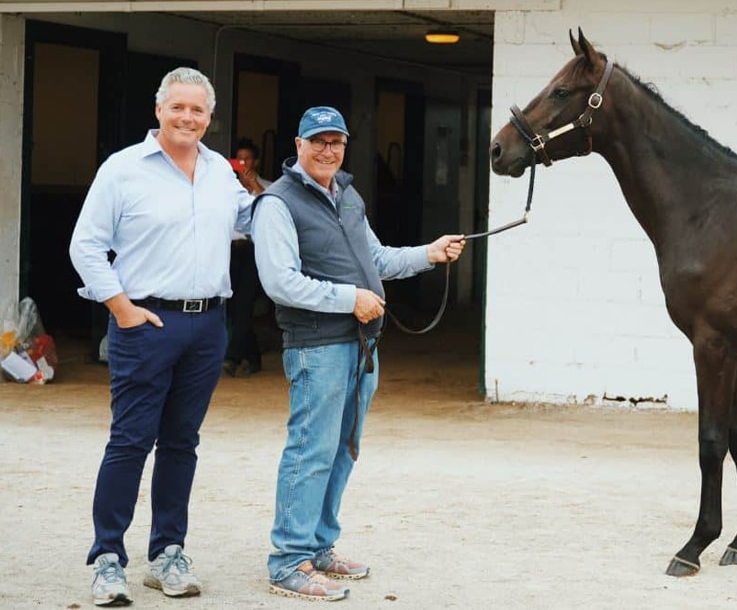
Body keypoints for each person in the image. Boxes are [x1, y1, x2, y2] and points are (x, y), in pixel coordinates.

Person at [252, 106, 464, 601]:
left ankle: (320, 546)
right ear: (298, 145)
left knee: (343, 449)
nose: (329, 150)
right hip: (316, 347)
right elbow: (280, 282)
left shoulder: (347, 196)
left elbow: (378, 259)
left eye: (337, 142)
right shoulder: (277, 204)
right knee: (311, 450)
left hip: (360, 346)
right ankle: (288, 560)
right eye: (319, 141)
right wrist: (351, 299)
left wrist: (429, 254)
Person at [69, 67, 253, 606]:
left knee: (181, 443)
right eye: (179, 108)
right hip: (145, 322)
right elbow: (86, 245)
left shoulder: (222, 172)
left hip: (207, 325)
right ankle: (107, 558)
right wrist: (121, 308)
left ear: (209, 117)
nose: (188, 118)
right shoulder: (122, 169)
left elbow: (251, 223)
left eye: (198, 110)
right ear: (159, 110)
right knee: (130, 440)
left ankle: (168, 553)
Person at [224, 137, 273, 377]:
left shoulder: (269, 186)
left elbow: (274, 215)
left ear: (256, 161)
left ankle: (233, 357)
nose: (243, 163)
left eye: (248, 158)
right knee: (232, 307)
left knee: (244, 304)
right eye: (239, 159)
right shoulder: (224, 187)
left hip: (253, 251)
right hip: (227, 251)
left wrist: (256, 188)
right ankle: (251, 356)